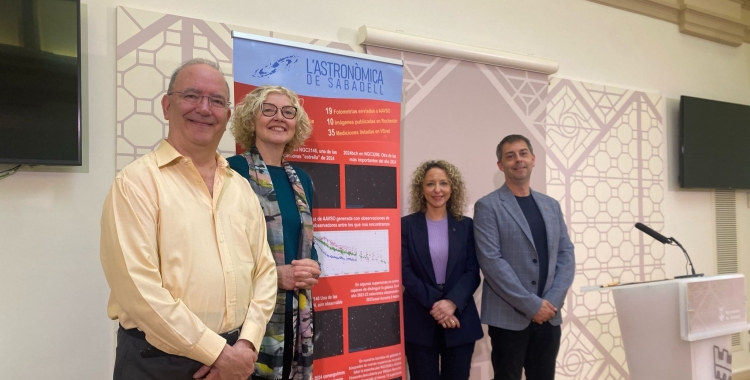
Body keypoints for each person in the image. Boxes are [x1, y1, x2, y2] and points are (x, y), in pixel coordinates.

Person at [100, 58, 278, 380]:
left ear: (227, 114)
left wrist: (247, 344)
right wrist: (219, 354)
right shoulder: (135, 184)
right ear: (167, 105)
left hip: (236, 358)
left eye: (217, 101)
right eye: (192, 96)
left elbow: (264, 272)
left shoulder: (241, 188)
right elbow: (138, 291)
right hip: (156, 362)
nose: (204, 108)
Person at [227, 85, 320, 380]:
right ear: (251, 119)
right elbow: (222, 249)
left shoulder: (302, 179)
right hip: (248, 319)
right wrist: (274, 275)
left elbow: (304, 239)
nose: (279, 117)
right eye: (268, 109)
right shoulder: (232, 172)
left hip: (296, 314)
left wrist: (313, 266)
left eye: (288, 112)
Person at [473, 134, 575, 380]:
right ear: (500, 165)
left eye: (522, 153)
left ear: (533, 159)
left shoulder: (551, 205)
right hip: (509, 318)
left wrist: (551, 301)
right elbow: (491, 262)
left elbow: (566, 254)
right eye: (510, 156)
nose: (518, 160)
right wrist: (532, 305)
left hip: (549, 317)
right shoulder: (488, 206)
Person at [401, 160, 484, 380]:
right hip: (420, 317)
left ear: (452, 188)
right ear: (421, 189)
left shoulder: (466, 225)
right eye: (430, 184)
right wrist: (439, 305)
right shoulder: (406, 226)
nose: (437, 189)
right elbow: (405, 272)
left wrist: (451, 303)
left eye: (443, 183)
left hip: (459, 319)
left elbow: (472, 272)